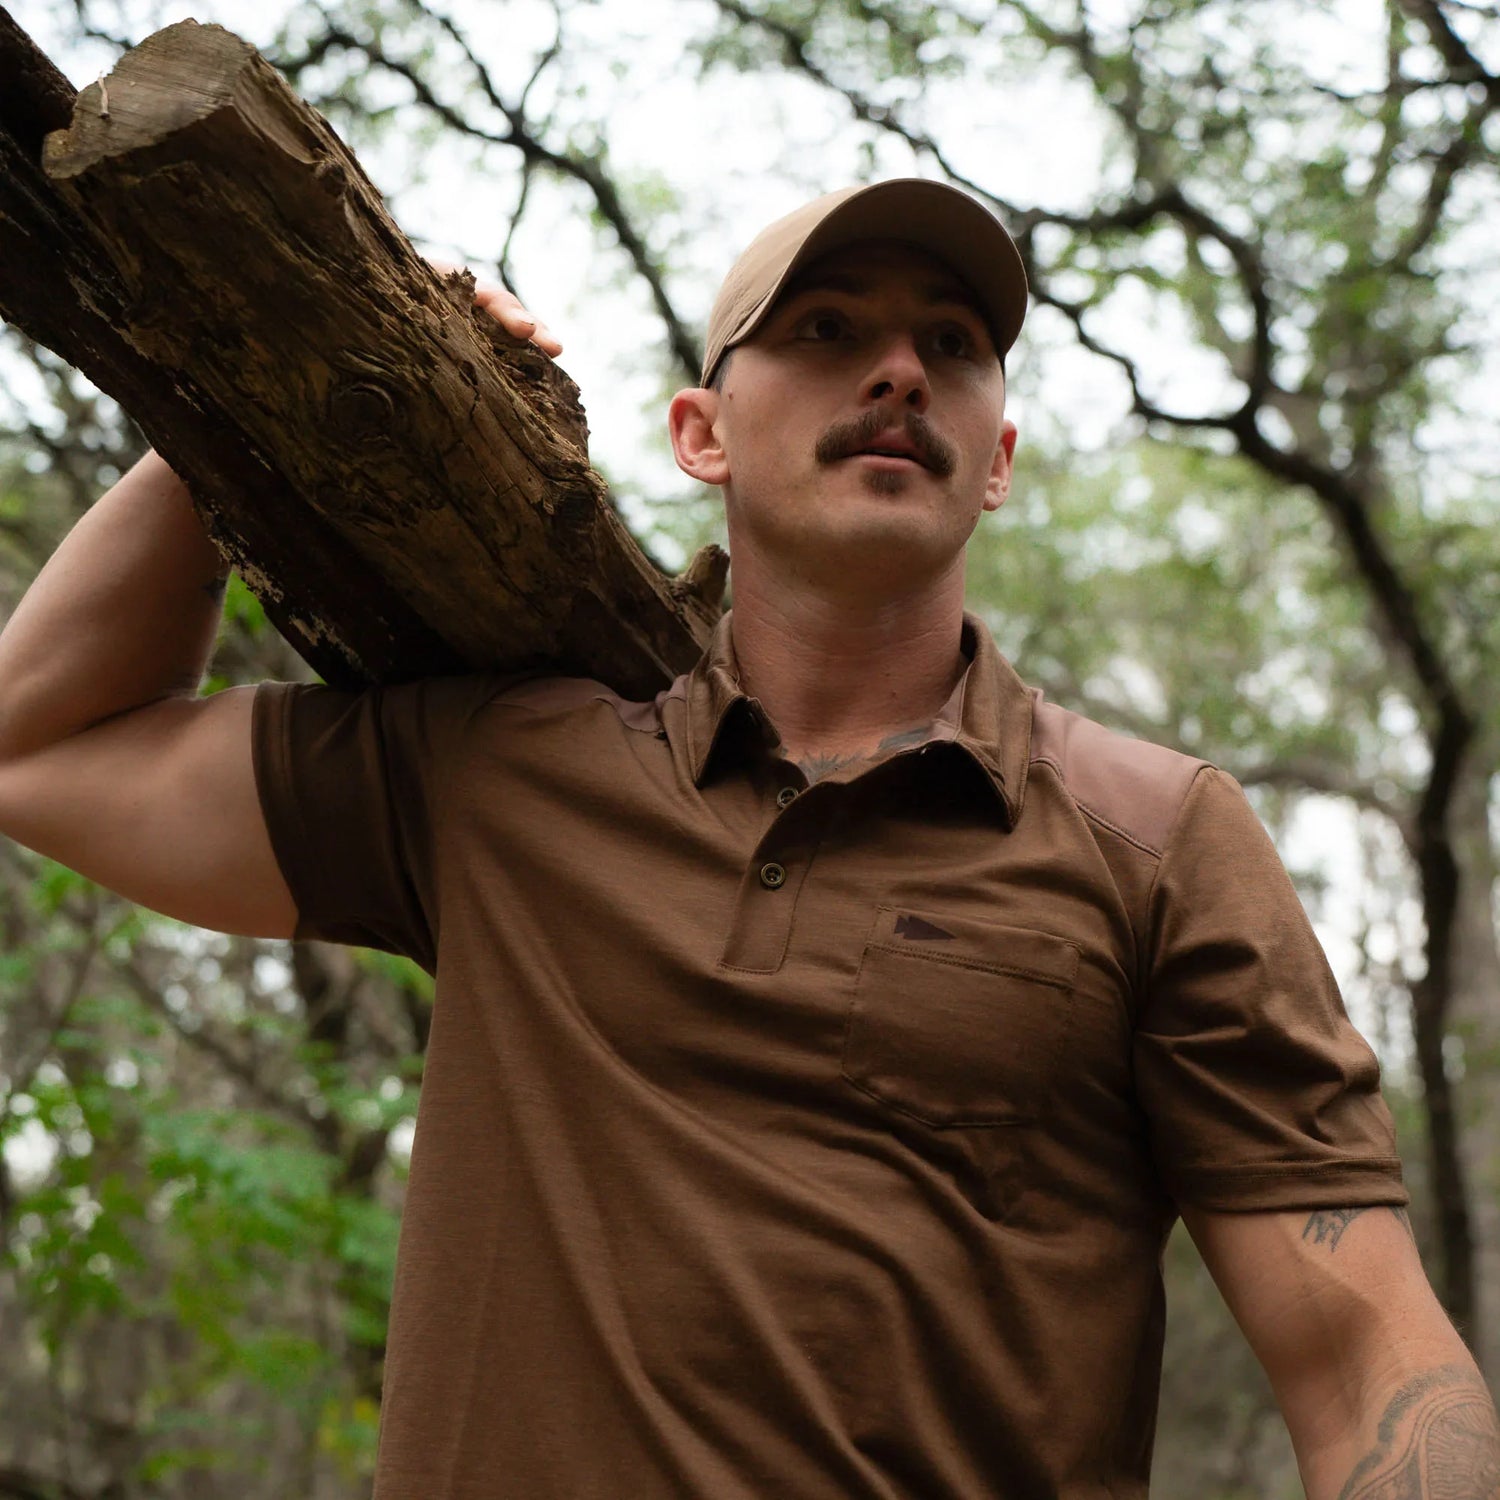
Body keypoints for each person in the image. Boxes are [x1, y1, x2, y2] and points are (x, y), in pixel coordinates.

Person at [0, 178, 1495, 1500]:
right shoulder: (496, 773)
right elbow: (39, 746)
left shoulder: (1153, 839)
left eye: (952, 345)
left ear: (997, 460)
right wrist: (276, 374)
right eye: (827, 330)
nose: (899, 371)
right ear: (700, 434)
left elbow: (1367, 1366)